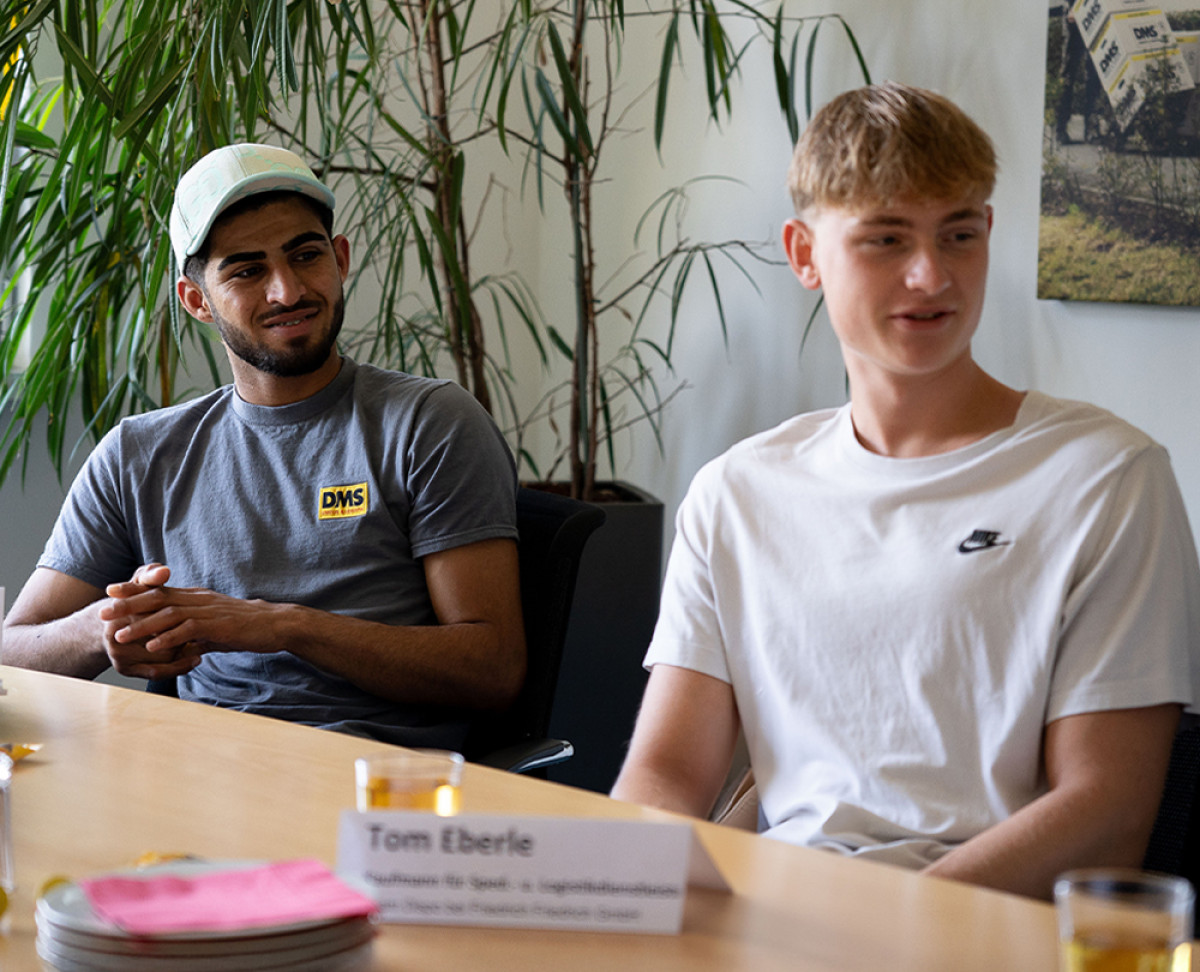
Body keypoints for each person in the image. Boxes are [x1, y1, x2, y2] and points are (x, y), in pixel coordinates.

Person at [610, 82, 1200, 899]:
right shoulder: (737, 492)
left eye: (958, 233)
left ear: (988, 233)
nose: (931, 275)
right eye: (886, 239)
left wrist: (874, 926)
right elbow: (668, 774)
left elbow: (1106, 813)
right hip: (772, 922)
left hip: (982, 931)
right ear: (804, 253)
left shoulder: (1107, 478)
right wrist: (626, 899)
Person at [3, 143, 525, 749]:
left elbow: (493, 670)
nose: (287, 291)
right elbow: (13, 651)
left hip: (373, 783)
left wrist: (281, 626)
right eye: (247, 270)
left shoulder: (430, 422)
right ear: (196, 300)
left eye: (306, 256)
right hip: (195, 774)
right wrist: (104, 627)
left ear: (341, 259)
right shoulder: (138, 454)